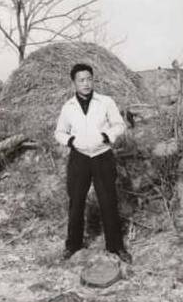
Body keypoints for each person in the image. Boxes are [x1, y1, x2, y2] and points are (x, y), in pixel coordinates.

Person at [54, 63, 131, 264]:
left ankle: (116, 247)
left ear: (93, 80)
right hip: (79, 158)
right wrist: (71, 141)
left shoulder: (105, 102)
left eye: (89, 79)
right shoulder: (68, 107)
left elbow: (119, 125)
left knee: (108, 201)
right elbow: (59, 132)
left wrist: (107, 136)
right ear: (74, 83)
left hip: (102, 156)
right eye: (81, 80)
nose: (86, 84)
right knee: (76, 202)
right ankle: (73, 246)